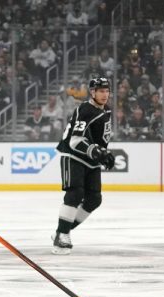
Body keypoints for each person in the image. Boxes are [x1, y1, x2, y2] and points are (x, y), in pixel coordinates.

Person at [52, 77, 116, 255]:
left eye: (106, 91)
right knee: (75, 193)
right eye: (101, 91)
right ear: (92, 92)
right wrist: (96, 151)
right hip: (73, 156)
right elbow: (75, 141)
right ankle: (62, 235)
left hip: (90, 159)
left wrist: (103, 153)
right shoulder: (85, 109)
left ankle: (62, 231)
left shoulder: (106, 110)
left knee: (94, 199)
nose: (105, 94)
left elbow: (99, 139)